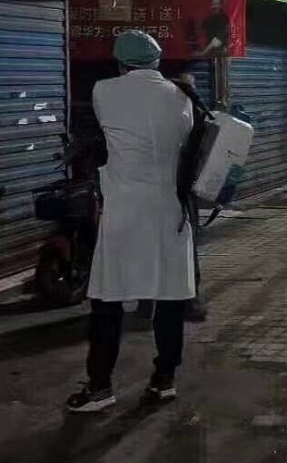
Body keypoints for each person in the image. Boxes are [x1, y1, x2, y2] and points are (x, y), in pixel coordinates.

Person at [67, 30, 196, 413]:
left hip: (125, 211)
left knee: (107, 301)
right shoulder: (183, 98)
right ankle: (164, 379)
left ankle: (100, 386)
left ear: (120, 62)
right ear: (157, 60)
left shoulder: (105, 91)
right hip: (170, 210)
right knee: (170, 298)